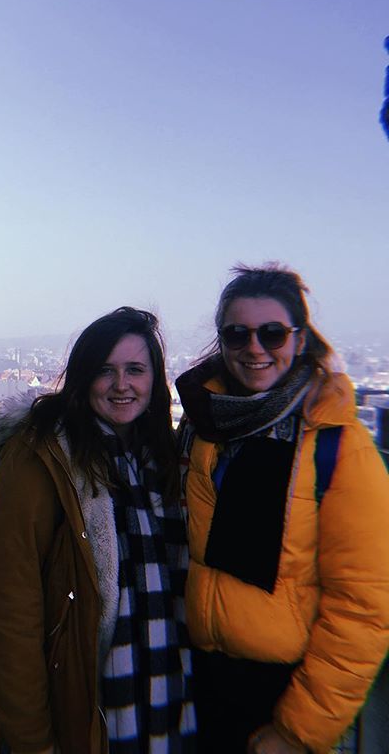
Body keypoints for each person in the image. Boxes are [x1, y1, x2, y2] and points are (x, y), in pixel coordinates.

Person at [175, 264, 389, 754]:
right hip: (199, 675)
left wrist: (298, 730)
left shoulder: (338, 442)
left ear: (298, 338)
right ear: (222, 341)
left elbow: (362, 607)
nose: (255, 348)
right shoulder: (205, 426)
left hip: (281, 687)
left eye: (272, 334)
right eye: (237, 334)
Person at [0, 307, 195, 754]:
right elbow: (10, 603)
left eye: (135, 370)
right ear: (83, 378)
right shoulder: (40, 457)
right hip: (80, 705)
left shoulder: (160, 458)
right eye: (105, 371)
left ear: (155, 379)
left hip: (163, 693)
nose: (122, 384)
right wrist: (31, 738)